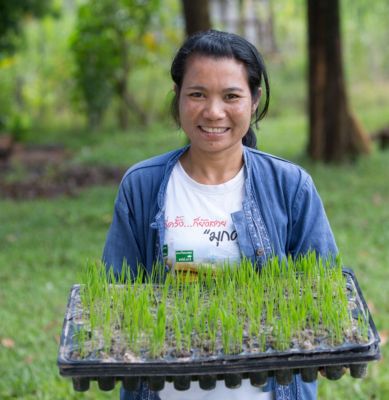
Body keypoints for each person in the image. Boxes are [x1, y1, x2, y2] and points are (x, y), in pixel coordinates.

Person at [102, 29, 339, 400]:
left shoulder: (290, 186)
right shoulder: (141, 186)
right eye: (197, 94)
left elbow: (324, 294)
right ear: (178, 96)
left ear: (254, 100)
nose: (214, 112)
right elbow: (114, 303)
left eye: (231, 96)